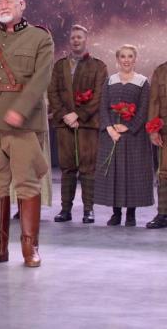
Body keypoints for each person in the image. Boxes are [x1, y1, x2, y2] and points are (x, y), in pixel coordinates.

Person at [0, 0, 53, 268]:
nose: (3, 5)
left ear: (22, 5)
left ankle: (30, 248)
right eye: (0, 2)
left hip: (25, 123)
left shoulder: (41, 37)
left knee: (27, 182)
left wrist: (21, 109)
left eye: (9, 1)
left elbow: (41, 79)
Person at [48, 25, 107, 223]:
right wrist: (66, 115)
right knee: (67, 167)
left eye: (79, 37)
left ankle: (88, 210)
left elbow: (99, 95)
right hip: (65, 124)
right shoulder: (59, 65)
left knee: (88, 168)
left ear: (85, 40)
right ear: (70, 40)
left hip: (88, 125)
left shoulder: (99, 66)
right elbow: (53, 92)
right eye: (73, 37)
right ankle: (65, 210)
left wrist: (78, 115)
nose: (76, 40)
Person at [94, 45, 153, 226]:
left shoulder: (142, 82)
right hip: (112, 135)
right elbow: (103, 107)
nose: (126, 60)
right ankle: (116, 213)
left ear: (135, 60)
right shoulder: (110, 81)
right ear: (118, 60)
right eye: (123, 57)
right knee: (115, 173)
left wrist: (129, 127)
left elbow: (144, 109)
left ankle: (131, 214)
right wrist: (110, 129)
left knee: (132, 173)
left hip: (133, 136)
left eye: (130, 57)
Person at [147, 59, 167, 228]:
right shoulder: (160, 71)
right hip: (165, 131)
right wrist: (153, 129)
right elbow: (154, 101)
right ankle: (162, 214)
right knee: (164, 173)